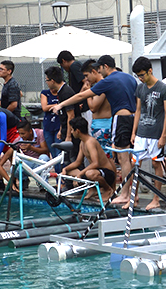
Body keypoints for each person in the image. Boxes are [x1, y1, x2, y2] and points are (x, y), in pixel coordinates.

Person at [49, 55, 136, 205]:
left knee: (123, 160)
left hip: (120, 119)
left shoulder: (108, 80)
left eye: (99, 69)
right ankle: (132, 195)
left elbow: (83, 95)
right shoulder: (129, 78)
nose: (99, 72)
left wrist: (61, 105)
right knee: (129, 159)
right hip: (133, 118)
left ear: (105, 67)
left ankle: (124, 194)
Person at [130, 56, 166, 211]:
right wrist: (134, 132)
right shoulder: (140, 88)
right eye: (138, 76)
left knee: (156, 163)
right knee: (136, 163)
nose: (140, 78)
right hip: (142, 131)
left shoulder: (163, 88)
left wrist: (163, 135)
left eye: (142, 75)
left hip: (156, 133)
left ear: (150, 71)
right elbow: (138, 110)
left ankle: (156, 198)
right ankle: (133, 197)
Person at [62, 117, 118, 203]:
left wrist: (80, 174)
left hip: (107, 174)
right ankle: (93, 189)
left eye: (72, 130)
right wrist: (65, 169)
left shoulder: (90, 142)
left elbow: (96, 163)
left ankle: (108, 189)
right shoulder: (82, 142)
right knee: (70, 171)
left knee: (89, 173)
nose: (71, 132)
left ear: (77, 131)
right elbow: (77, 162)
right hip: (97, 172)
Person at [40, 66, 77, 164]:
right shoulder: (61, 92)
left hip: (71, 132)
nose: (46, 83)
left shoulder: (66, 92)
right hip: (64, 129)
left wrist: (68, 136)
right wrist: (61, 129)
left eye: (47, 80)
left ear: (52, 81)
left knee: (68, 161)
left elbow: (71, 115)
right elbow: (63, 114)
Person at [81, 60, 113, 149]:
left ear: (94, 72)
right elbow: (79, 97)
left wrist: (88, 92)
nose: (86, 79)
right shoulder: (97, 85)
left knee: (105, 156)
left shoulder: (102, 84)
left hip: (103, 125)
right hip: (97, 124)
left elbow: (93, 107)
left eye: (86, 75)